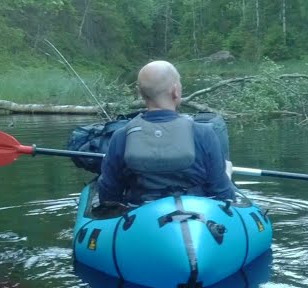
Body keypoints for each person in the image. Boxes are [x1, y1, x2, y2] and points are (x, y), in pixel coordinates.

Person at [97, 60, 237, 206]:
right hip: (196, 219)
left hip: (140, 219)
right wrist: (227, 172)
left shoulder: (121, 136)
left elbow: (109, 195)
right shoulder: (204, 133)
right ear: (175, 90)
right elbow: (223, 195)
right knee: (226, 167)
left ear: (140, 93)